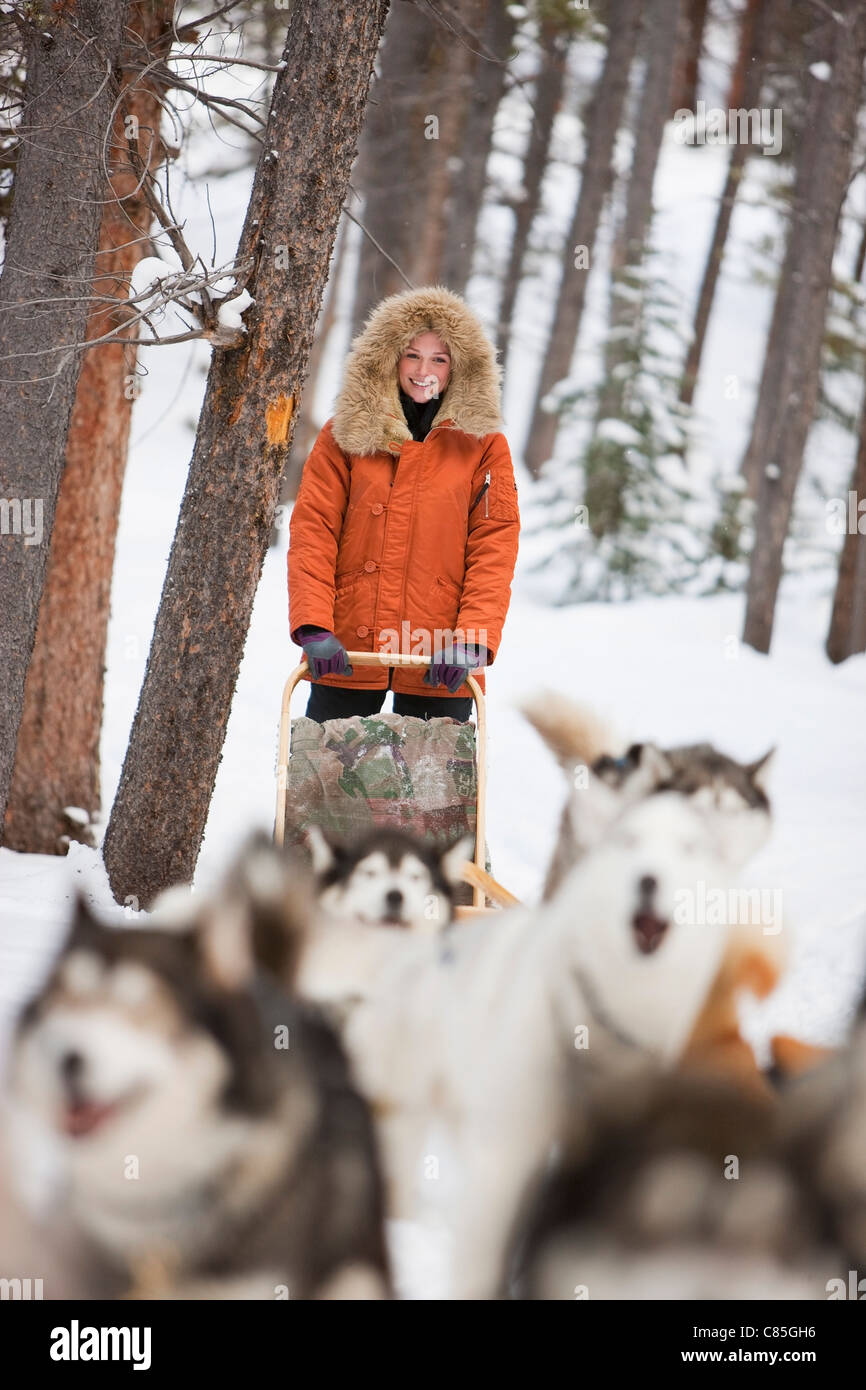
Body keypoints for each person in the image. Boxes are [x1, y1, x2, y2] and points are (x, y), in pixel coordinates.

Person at [288, 285, 520, 724]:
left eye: (439, 359)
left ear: (459, 368)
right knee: (329, 785)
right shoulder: (345, 435)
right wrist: (315, 625)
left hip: (440, 657)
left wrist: (473, 638)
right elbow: (313, 532)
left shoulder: (485, 447)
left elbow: (495, 548)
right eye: (412, 355)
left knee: (431, 790)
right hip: (347, 649)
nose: (423, 370)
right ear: (389, 357)